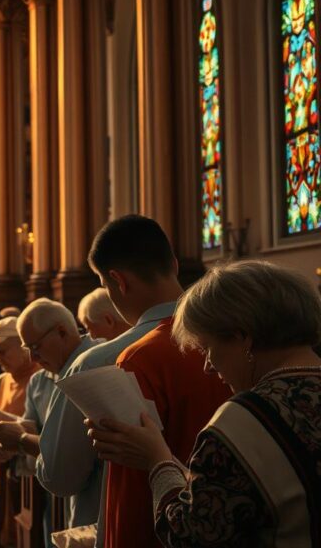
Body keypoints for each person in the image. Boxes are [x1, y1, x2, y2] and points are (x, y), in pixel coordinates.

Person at [87, 260, 321, 547]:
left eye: (208, 348)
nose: (208, 366)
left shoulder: (246, 418)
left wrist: (157, 460)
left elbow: (190, 535)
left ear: (242, 338)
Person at [83, 215, 230, 548]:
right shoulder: (235, 340)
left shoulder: (139, 358)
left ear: (117, 281)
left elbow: (129, 489)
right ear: (175, 265)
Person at [0, 299, 99, 545]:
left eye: (36, 346)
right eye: (29, 349)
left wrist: (19, 440)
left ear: (61, 332)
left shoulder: (94, 364)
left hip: (95, 498)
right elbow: (31, 425)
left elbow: (69, 453)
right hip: (55, 494)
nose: (34, 357)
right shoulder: (39, 381)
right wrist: (3, 435)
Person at [0, 317, 39, 546]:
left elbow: (39, 430)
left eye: (2, 351)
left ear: (23, 346)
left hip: (30, 476)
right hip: (3, 471)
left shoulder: (40, 380)